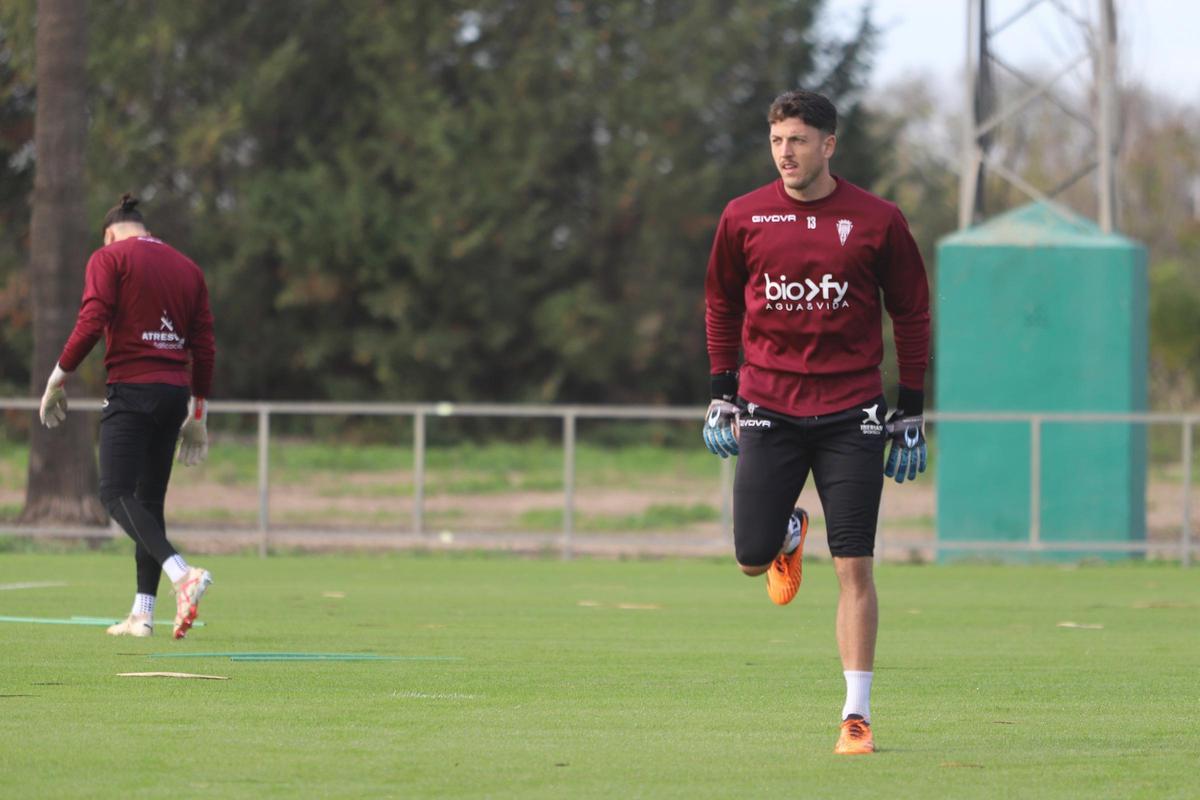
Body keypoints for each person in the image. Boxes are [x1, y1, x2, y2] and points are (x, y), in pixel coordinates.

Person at [701, 90, 930, 755]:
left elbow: (911, 312)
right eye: (777, 141)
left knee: (854, 566)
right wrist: (722, 393)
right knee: (750, 561)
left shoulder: (877, 220)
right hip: (768, 407)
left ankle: (855, 716)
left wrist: (909, 410)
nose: (786, 153)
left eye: (799, 140)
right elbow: (720, 302)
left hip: (852, 414)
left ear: (829, 144)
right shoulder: (743, 216)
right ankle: (786, 530)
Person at [39, 193, 216, 640]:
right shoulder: (187, 267)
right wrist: (198, 412)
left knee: (114, 492)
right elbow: (205, 345)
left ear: (110, 233)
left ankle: (183, 574)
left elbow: (92, 318)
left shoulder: (108, 257)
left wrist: (57, 378)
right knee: (148, 502)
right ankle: (143, 614)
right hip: (175, 393)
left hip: (132, 389)